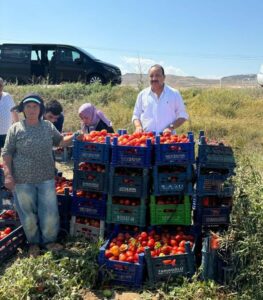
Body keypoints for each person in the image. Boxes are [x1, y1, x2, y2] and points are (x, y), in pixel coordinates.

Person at [1, 93, 74, 256]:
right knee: (27, 214)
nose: (32, 110)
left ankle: (49, 241)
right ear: (23, 110)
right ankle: (33, 243)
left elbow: (60, 141)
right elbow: (7, 153)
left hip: (46, 178)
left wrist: (75, 137)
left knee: (49, 212)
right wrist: (8, 175)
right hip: (22, 180)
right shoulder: (15, 129)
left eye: (35, 106)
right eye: (28, 106)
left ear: (40, 109)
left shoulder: (47, 126)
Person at [132, 64, 189, 134]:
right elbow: (136, 115)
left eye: (157, 75)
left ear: (164, 77)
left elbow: (182, 115)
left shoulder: (174, 94)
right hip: (146, 139)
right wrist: (138, 126)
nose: (154, 78)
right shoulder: (142, 95)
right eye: (151, 76)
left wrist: (171, 127)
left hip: (168, 139)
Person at [0, 77, 19, 154]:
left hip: (7, 132)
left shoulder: (7, 96)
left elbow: (13, 111)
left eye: (0, 85)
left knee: (8, 154)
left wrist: (18, 126)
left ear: (3, 86)